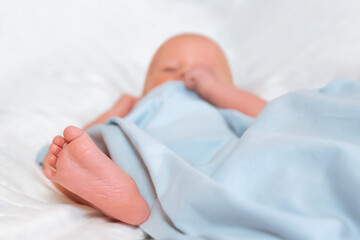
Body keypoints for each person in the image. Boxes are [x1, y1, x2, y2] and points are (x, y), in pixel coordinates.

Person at [41, 34, 267, 226]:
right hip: (146, 162)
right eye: (169, 69)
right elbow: (87, 137)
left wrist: (218, 90)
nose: (184, 76)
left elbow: (272, 117)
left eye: (206, 71)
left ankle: (131, 201)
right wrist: (118, 109)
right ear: (146, 88)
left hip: (220, 159)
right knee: (77, 157)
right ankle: (120, 198)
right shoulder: (143, 107)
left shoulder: (221, 106)